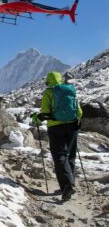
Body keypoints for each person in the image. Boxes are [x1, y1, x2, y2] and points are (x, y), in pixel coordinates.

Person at [32, 71, 82, 201]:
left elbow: (45, 112)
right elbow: (79, 111)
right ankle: (68, 184)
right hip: (72, 126)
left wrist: (37, 118)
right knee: (70, 155)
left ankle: (67, 185)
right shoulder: (71, 90)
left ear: (48, 81)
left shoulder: (49, 92)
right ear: (60, 79)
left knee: (59, 156)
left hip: (55, 128)